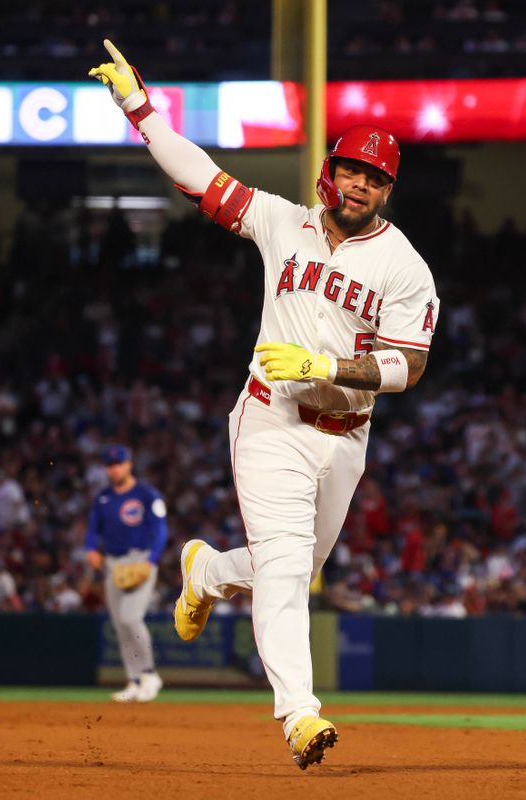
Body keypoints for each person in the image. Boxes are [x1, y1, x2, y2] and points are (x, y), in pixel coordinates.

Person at [89, 41, 439, 768]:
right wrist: (140, 108)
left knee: (297, 564)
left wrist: (327, 365)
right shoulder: (284, 221)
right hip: (271, 417)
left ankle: (208, 572)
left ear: (387, 190)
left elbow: (409, 366)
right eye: (350, 168)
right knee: (284, 567)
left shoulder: (405, 266)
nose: (358, 183)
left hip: (346, 433)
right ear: (329, 170)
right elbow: (203, 180)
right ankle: (300, 717)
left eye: (374, 177)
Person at [83, 444, 169, 703]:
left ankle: (150, 674)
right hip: (113, 563)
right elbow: (92, 530)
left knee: (131, 618)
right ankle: (133, 681)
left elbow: (161, 530)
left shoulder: (146, 494)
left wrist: (151, 562)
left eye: (118, 463)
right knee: (121, 626)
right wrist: (90, 550)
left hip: (140, 559)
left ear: (129, 463)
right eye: (110, 465)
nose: (115, 468)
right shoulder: (103, 498)